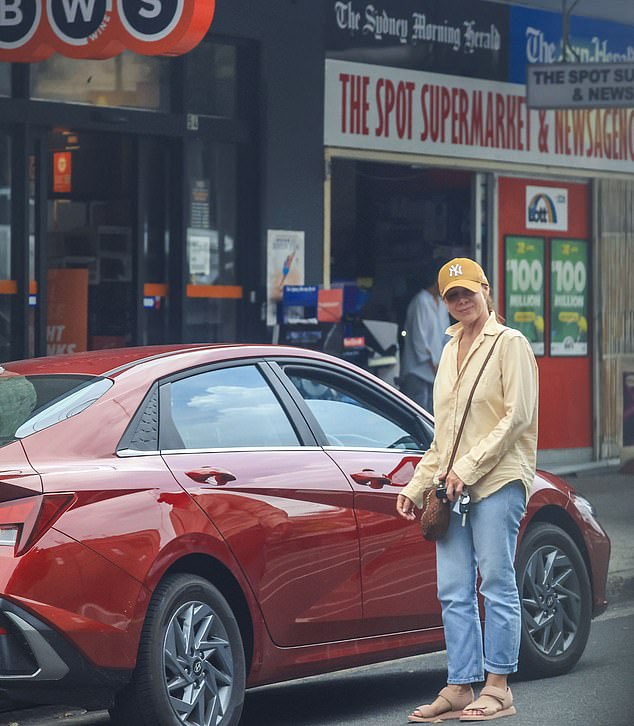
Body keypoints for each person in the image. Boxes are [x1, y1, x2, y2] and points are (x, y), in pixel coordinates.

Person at [396, 257, 539, 723]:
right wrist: (418, 484)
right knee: (453, 589)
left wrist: (470, 467)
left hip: (498, 479)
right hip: (451, 485)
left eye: (467, 293)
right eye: (451, 297)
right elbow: (446, 434)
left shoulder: (510, 344)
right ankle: (460, 683)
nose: (461, 302)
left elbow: (515, 418)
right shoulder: (451, 351)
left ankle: (498, 687)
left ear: (486, 291)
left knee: (496, 583)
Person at [400, 262, 450, 413]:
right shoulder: (420, 301)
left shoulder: (442, 303)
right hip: (418, 370)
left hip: (436, 370)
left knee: (433, 414)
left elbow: (446, 334)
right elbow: (418, 340)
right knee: (418, 413)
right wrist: (433, 365)